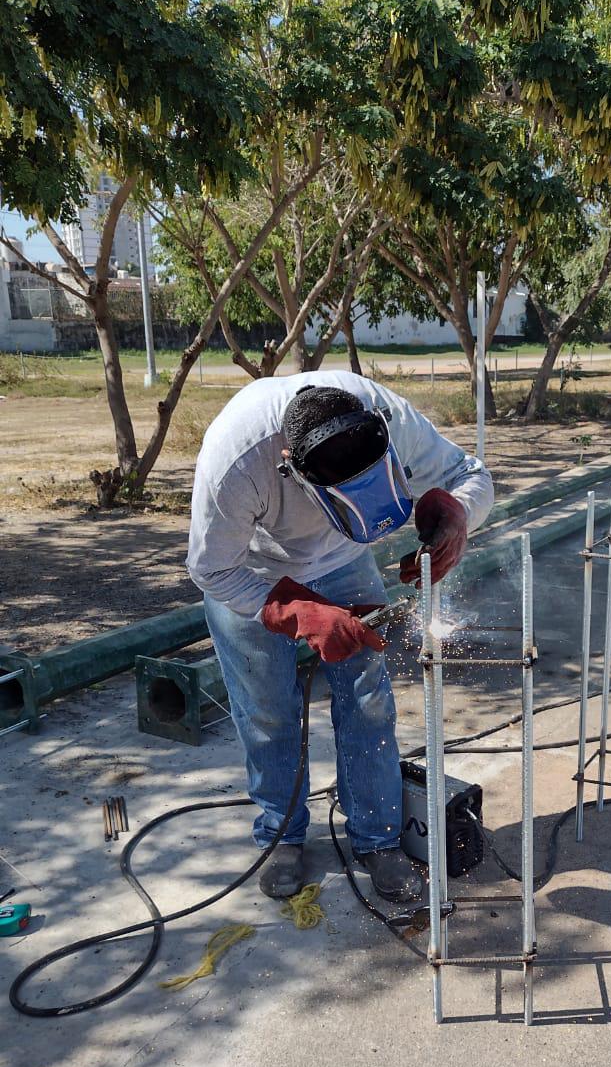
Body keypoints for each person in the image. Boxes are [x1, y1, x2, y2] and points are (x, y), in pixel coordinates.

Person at [186, 371, 494, 902]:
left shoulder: (389, 416)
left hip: (345, 562)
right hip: (253, 572)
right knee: (268, 711)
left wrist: (459, 511)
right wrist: (298, 611)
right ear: (291, 467)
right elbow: (211, 570)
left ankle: (376, 838)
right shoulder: (237, 462)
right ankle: (282, 836)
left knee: (368, 701)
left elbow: (471, 472)